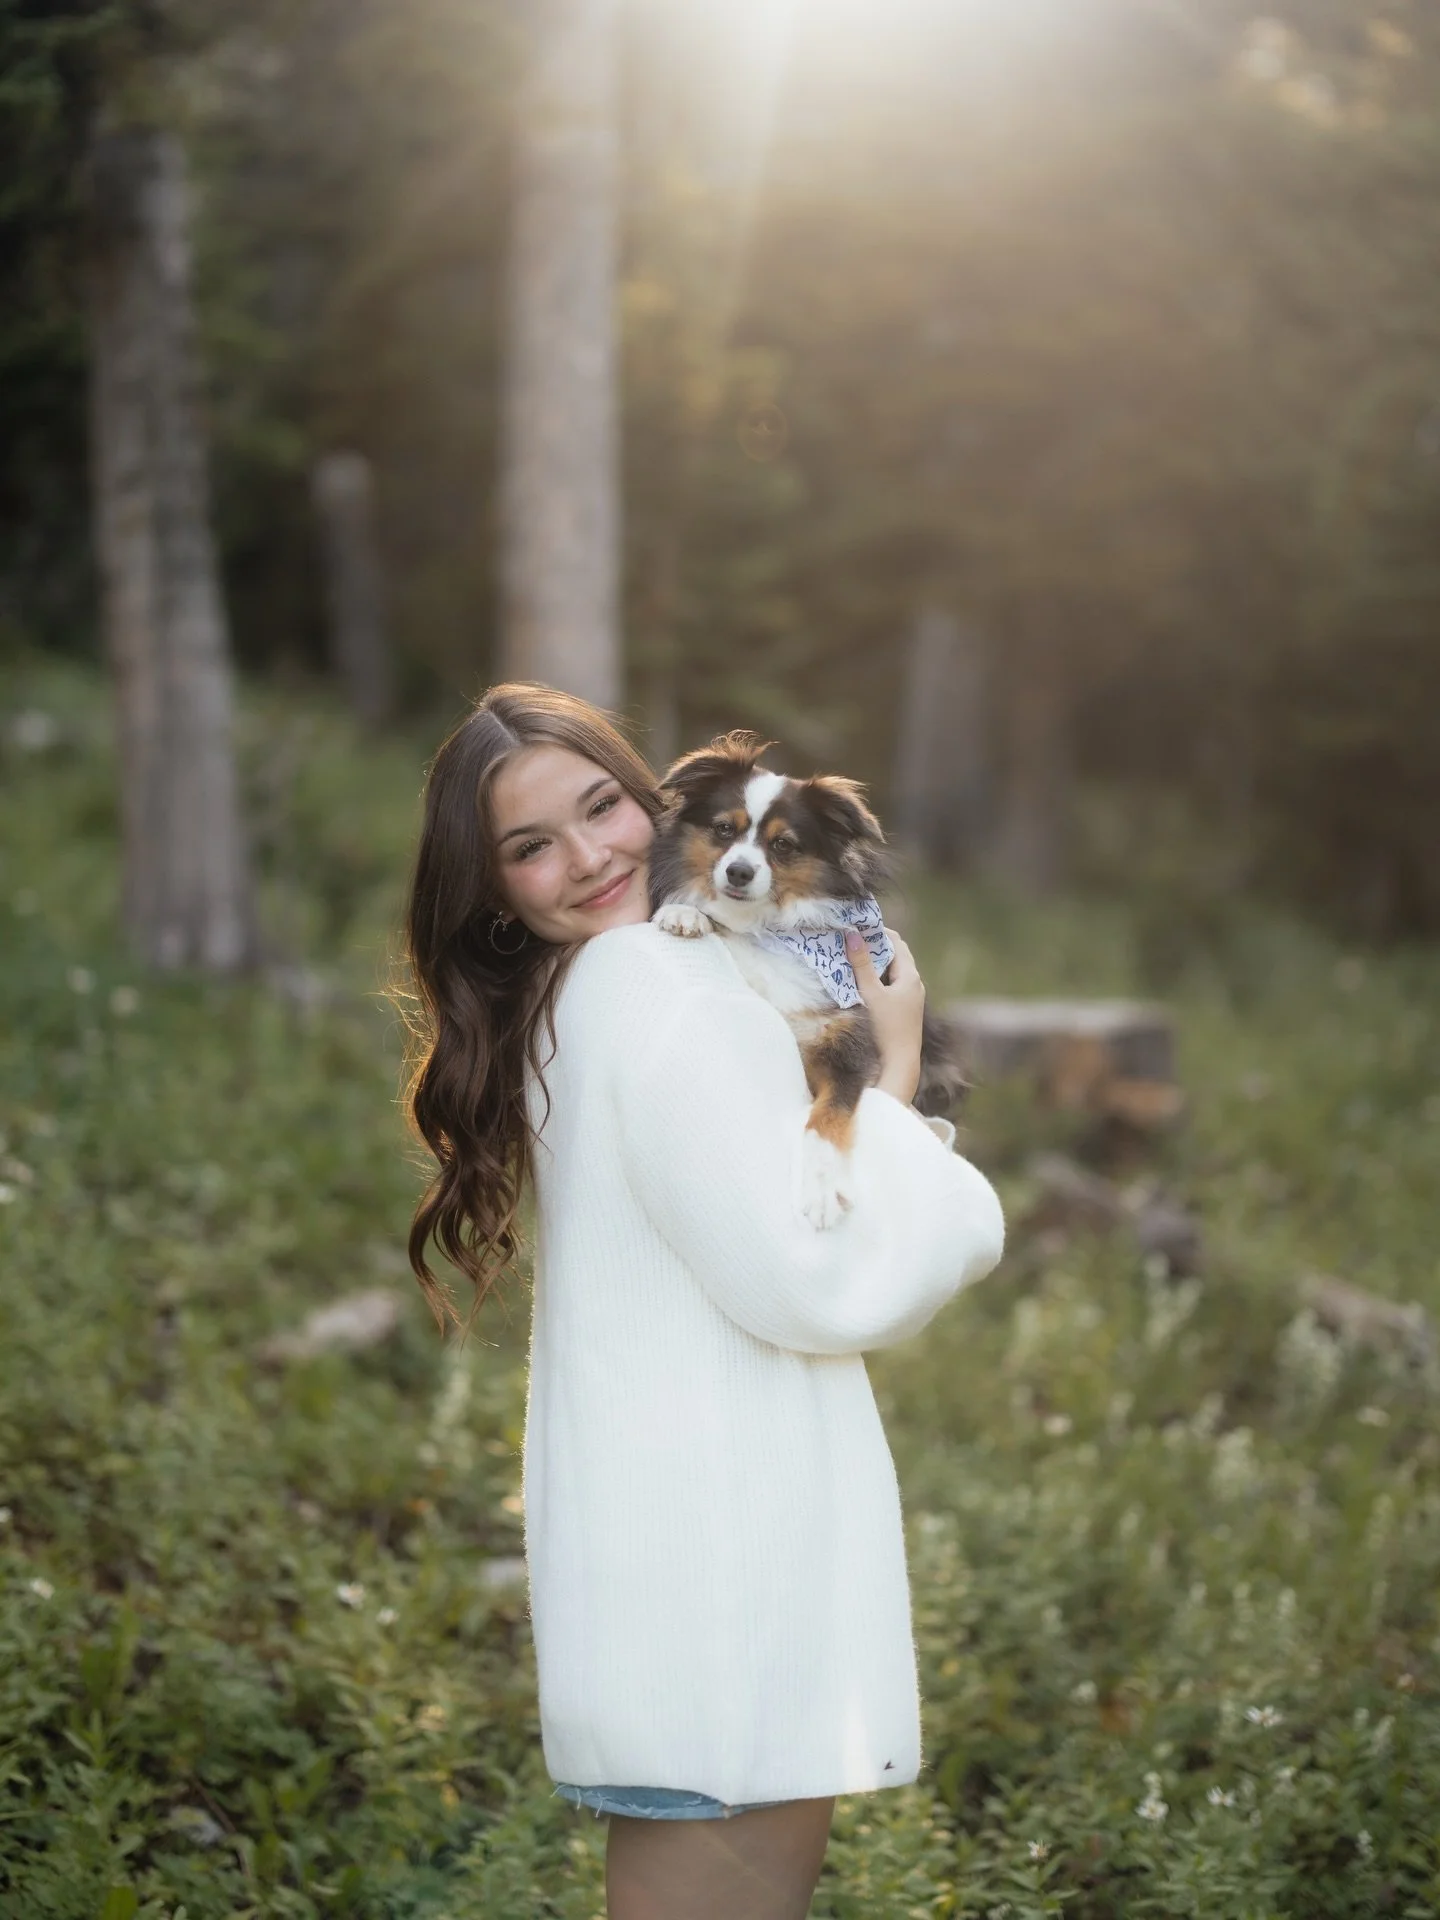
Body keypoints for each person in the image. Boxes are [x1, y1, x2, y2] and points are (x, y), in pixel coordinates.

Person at [399, 682, 1005, 1920]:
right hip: (729, 1578)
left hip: (685, 1564)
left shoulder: (604, 991)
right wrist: (894, 1067)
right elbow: (813, 1270)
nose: (589, 858)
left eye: (603, 808)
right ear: (494, 886)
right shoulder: (647, 985)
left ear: (652, 796)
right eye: (530, 846)